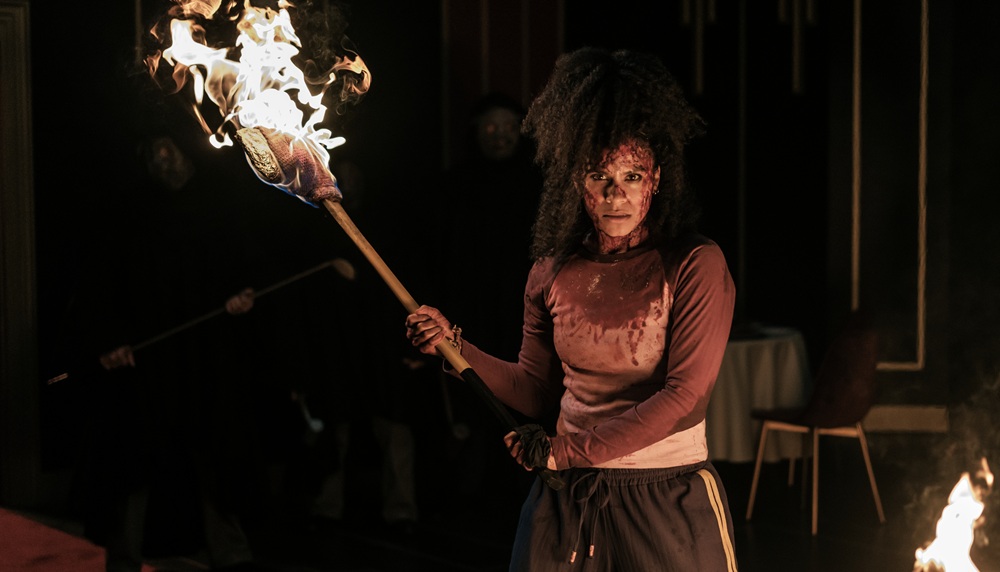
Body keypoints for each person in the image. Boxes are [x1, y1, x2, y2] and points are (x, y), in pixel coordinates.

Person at [404, 47, 738, 571]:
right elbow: (535, 389)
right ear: (577, 180)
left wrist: (565, 451)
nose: (615, 195)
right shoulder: (551, 269)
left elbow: (686, 398)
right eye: (599, 176)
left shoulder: (696, 263)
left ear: (656, 178)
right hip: (564, 495)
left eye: (632, 176)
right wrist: (454, 346)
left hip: (662, 494)